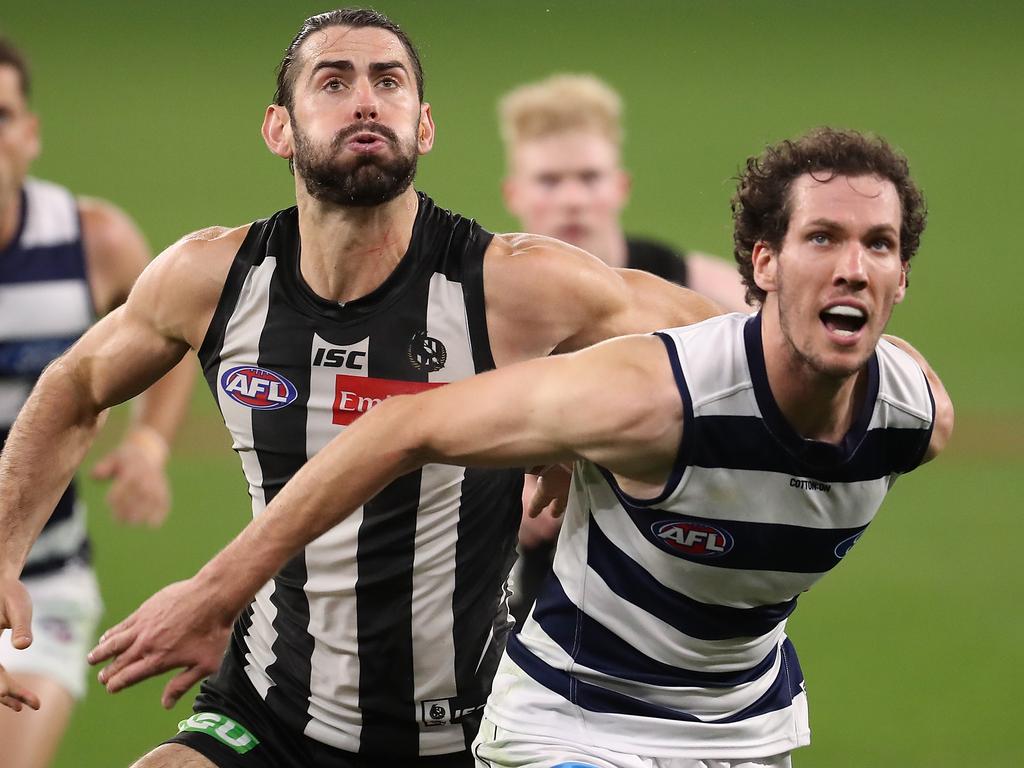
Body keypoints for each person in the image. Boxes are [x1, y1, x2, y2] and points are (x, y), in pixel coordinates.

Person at [83, 126, 953, 767]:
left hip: (746, 729)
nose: (853, 267)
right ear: (763, 263)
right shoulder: (649, 394)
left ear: (903, 278)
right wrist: (217, 589)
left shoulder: (914, 416)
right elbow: (398, 427)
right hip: (574, 723)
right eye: (822, 239)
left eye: (878, 245)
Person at [0, 9, 719, 768]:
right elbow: (75, 387)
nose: (366, 101)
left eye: (389, 81)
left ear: (426, 125)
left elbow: (723, 355)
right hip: (271, 712)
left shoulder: (511, 285)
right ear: (279, 128)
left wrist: (589, 429)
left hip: (480, 729)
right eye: (334, 82)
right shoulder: (212, 280)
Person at [0, 38, 194, 768]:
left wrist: (150, 444)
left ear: (30, 133)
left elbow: (173, 336)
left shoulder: (94, 244)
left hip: (41, 581)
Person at [498, 73, 750, 624]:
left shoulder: (701, 291)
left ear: (620, 187)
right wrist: (501, 496)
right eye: (549, 180)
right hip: (548, 577)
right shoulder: (490, 300)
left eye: (588, 177)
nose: (571, 198)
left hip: (687, 559)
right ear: (514, 193)